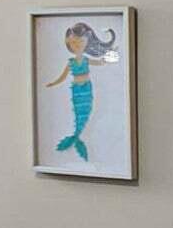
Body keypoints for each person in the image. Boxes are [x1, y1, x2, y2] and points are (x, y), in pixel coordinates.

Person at [44, 19, 118, 160]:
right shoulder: (71, 62)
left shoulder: (85, 60)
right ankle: (76, 138)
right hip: (77, 90)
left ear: (87, 43)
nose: (77, 45)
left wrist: (112, 55)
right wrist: (53, 83)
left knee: (86, 112)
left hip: (86, 89)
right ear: (69, 44)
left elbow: (101, 62)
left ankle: (77, 137)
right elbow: (63, 76)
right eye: (73, 43)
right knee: (78, 113)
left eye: (80, 42)